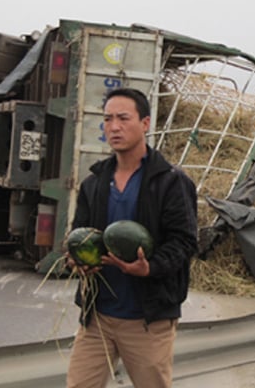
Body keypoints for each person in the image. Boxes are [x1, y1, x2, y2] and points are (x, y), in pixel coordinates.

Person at [66, 88, 199, 388]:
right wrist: (78, 262)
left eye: (123, 118)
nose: (114, 126)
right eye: (108, 119)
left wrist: (149, 267)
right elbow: (79, 235)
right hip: (97, 317)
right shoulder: (94, 183)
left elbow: (185, 241)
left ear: (145, 123)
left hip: (147, 319)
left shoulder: (171, 182)